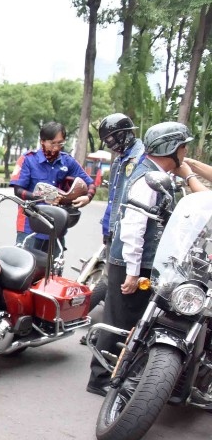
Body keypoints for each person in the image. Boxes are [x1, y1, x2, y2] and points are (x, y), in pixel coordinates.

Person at [86, 122, 206, 395]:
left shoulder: (157, 174)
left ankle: (119, 375)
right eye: (183, 147)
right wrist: (131, 271)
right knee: (119, 323)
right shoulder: (147, 179)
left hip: (144, 263)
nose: (186, 152)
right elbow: (133, 228)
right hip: (132, 263)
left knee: (133, 322)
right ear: (172, 149)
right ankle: (101, 379)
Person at [80, 114, 145, 346]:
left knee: (122, 287)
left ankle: (111, 338)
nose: (110, 145)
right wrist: (107, 227)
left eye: (112, 138)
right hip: (114, 233)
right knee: (113, 284)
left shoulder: (141, 159)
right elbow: (114, 200)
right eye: (107, 141)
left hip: (132, 235)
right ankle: (106, 335)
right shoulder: (119, 161)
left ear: (125, 133)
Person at [10, 122, 95, 253]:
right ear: (42, 141)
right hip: (29, 226)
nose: (56, 148)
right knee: (27, 267)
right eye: (52, 143)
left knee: (54, 270)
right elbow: (18, 191)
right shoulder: (27, 160)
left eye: (60, 143)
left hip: (56, 227)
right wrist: (43, 197)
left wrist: (88, 198)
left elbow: (90, 183)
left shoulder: (68, 161)